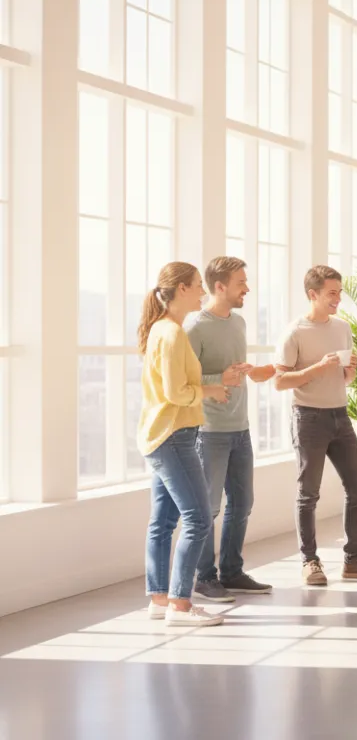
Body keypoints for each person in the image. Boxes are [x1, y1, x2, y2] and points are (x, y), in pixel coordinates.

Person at [275, 265, 357, 585]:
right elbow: (280, 381)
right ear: (313, 294)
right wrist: (318, 367)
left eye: (339, 292)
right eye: (331, 293)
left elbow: (346, 378)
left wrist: (348, 370)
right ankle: (309, 561)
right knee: (308, 493)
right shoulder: (294, 332)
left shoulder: (342, 327)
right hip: (308, 417)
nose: (338, 298)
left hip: (340, 415)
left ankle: (353, 559)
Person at [137, 262, 229, 627]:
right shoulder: (173, 334)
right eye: (197, 286)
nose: (203, 293)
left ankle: (160, 599)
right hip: (174, 436)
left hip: (159, 434)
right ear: (180, 290)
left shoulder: (162, 329)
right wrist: (211, 390)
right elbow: (176, 392)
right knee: (198, 517)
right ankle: (180, 605)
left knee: (163, 521)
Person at [184, 257, 278, 603]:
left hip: (241, 426)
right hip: (209, 431)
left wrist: (250, 371)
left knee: (243, 503)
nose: (247, 289)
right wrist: (218, 378)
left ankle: (232, 571)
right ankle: (203, 578)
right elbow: (185, 380)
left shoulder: (237, 323)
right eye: (241, 283)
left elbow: (232, 370)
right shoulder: (194, 327)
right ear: (219, 286)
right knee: (207, 507)